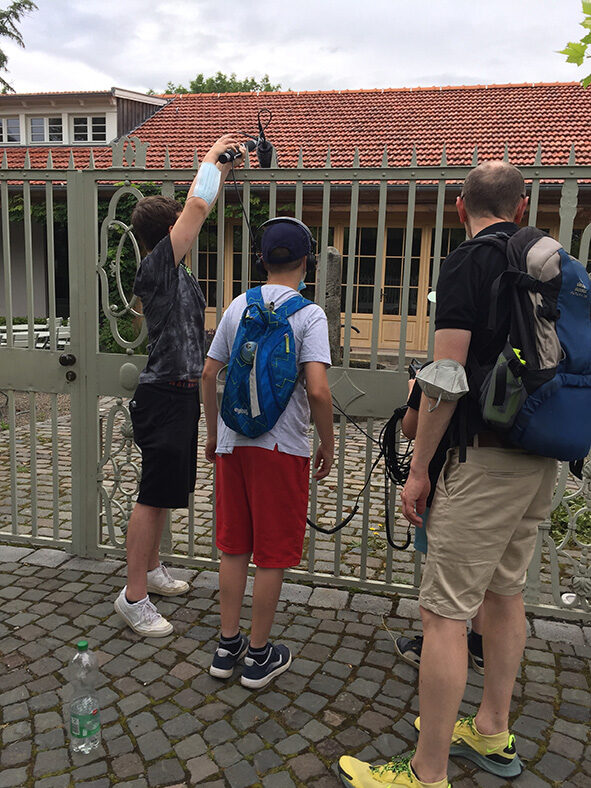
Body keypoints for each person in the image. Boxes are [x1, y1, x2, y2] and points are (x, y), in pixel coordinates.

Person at [338, 161, 557, 788]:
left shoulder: (468, 262)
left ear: (460, 208)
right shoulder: (549, 263)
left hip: (482, 461)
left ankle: (426, 771)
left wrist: (419, 470)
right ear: (521, 208)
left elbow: (445, 378)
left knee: (443, 615)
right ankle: (491, 730)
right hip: (537, 454)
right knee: (505, 595)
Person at [114, 133, 241, 638]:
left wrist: (223, 169)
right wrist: (213, 158)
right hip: (163, 393)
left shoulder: (178, 274)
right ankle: (133, 596)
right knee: (152, 495)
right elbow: (198, 205)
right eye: (180, 225)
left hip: (181, 391)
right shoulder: (157, 267)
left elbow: (196, 207)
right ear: (169, 232)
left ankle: (151, 570)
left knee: (166, 491)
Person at [201, 218, 334, 689]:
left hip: (233, 441)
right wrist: (327, 443)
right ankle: (259, 655)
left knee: (234, 546)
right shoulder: (310, 315)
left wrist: (214, 433)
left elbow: (209, 373)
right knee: (272, 555)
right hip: (282, 448)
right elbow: (317, 391)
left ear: (261, 260)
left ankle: (227, 647)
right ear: (306, 262)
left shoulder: (239, 305)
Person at [394, 373, 484, 676]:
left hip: (444, 481)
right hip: (495, 477)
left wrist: (414, 391)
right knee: (488, 572)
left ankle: (435, 649)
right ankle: (481, 646)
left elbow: (409, 428)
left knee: (441, 574)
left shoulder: (436, 371)